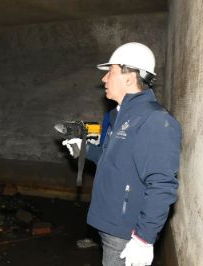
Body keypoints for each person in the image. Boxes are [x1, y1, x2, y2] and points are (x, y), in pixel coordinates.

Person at [63, 42, 181, 266]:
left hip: (127, 233)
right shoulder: (122, 117)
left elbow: (163, 184)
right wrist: (84, 149)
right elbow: (114, 161)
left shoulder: (154, 120)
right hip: (112, 225)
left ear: (129, 77)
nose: (104, 79)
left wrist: (143, 239)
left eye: (111, 72)